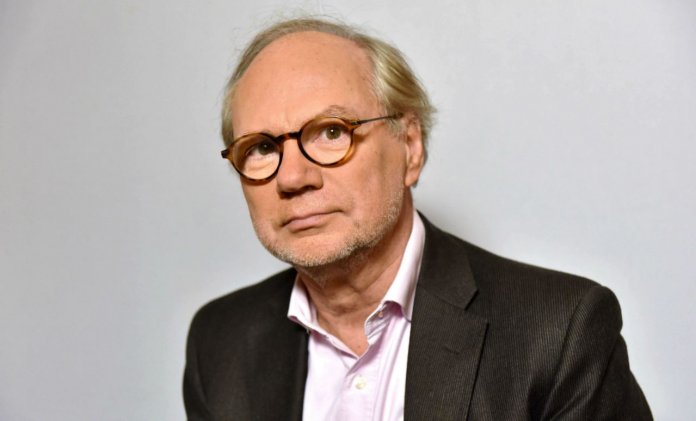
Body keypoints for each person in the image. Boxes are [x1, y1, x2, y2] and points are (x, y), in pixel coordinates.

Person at [183, 17, 652, 420]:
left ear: (409, 147)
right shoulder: (219, 342)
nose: (293, 177)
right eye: (262, 147)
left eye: (331, 132)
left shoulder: (560, 332)